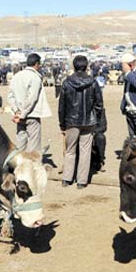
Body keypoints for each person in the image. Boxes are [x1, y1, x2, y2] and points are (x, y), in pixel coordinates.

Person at [58, 55, 104, 189]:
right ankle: (82, 181)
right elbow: (99, 104)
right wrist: (98, 120)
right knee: (85, 151)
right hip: (89, 122)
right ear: (86, 66)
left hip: (71, 122)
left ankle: (67, 179)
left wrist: (62, 123)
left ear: (74, 66)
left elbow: (62, 106)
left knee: (70, 150)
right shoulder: (93, 82)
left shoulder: (67, 82)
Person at [8, 53, 52, 152]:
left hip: (19, 115)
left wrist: (17, 111)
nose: (40, 66)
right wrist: (23, 114)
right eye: (39, 64)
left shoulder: (16, 76)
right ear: (36, 64)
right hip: (32, 115)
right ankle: (31, 166)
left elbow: (10, 96)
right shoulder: (35, 77)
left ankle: (18, 164)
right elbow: (32, 98)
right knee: (34, 146)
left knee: (20, 143)